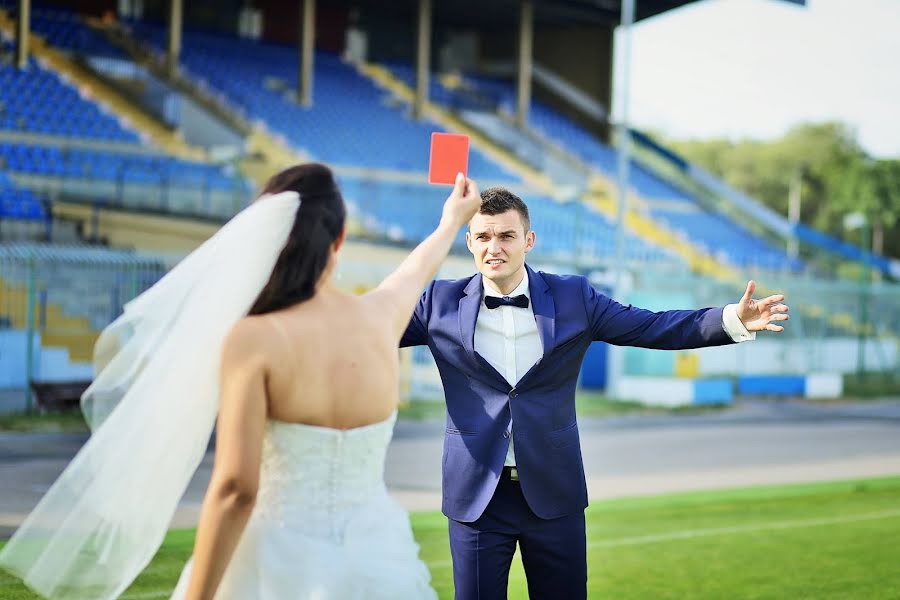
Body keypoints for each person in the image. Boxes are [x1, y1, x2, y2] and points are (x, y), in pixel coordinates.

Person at [0, 164, 482, 600]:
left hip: (275, 564)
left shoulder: (254, 340)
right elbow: (412, 273)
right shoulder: (379, 319)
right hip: (381, 559)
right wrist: (450, 223)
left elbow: (235, 488)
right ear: (339, 240)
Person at [400, 186, 790, 599]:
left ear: (528, 241)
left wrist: (731, 318)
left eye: (506, 236)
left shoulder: (574, 297)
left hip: (554, 493)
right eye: (483, 236)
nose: (494, 247)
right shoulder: (438, 302)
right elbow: (369, 330)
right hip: (476, 497)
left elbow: (651, 327)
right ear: (469, 242)